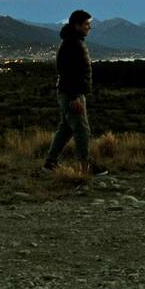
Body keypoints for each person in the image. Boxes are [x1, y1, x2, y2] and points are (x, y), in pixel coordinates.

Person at [43, 10, 107, 175]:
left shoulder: (72, 42)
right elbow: (67, 71)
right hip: (72, 93)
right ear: (76, 25)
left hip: (70, 92)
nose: (89, 27)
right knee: (82, 129)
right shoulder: (72, 44)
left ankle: (50, 162)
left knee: (66, 128)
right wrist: (74, 97)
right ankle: (85, 167)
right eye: (86, 24)